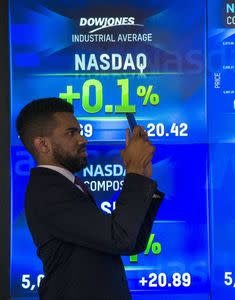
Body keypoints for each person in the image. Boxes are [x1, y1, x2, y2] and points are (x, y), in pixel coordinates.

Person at [16, 97, 164, 300]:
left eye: (79, 131)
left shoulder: (65, 186)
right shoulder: (48, 190)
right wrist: (134, 171)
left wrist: (142, 177)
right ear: (43, 144)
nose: (82, 139)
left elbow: (130, 244)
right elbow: (119, 237)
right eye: (71, 133)